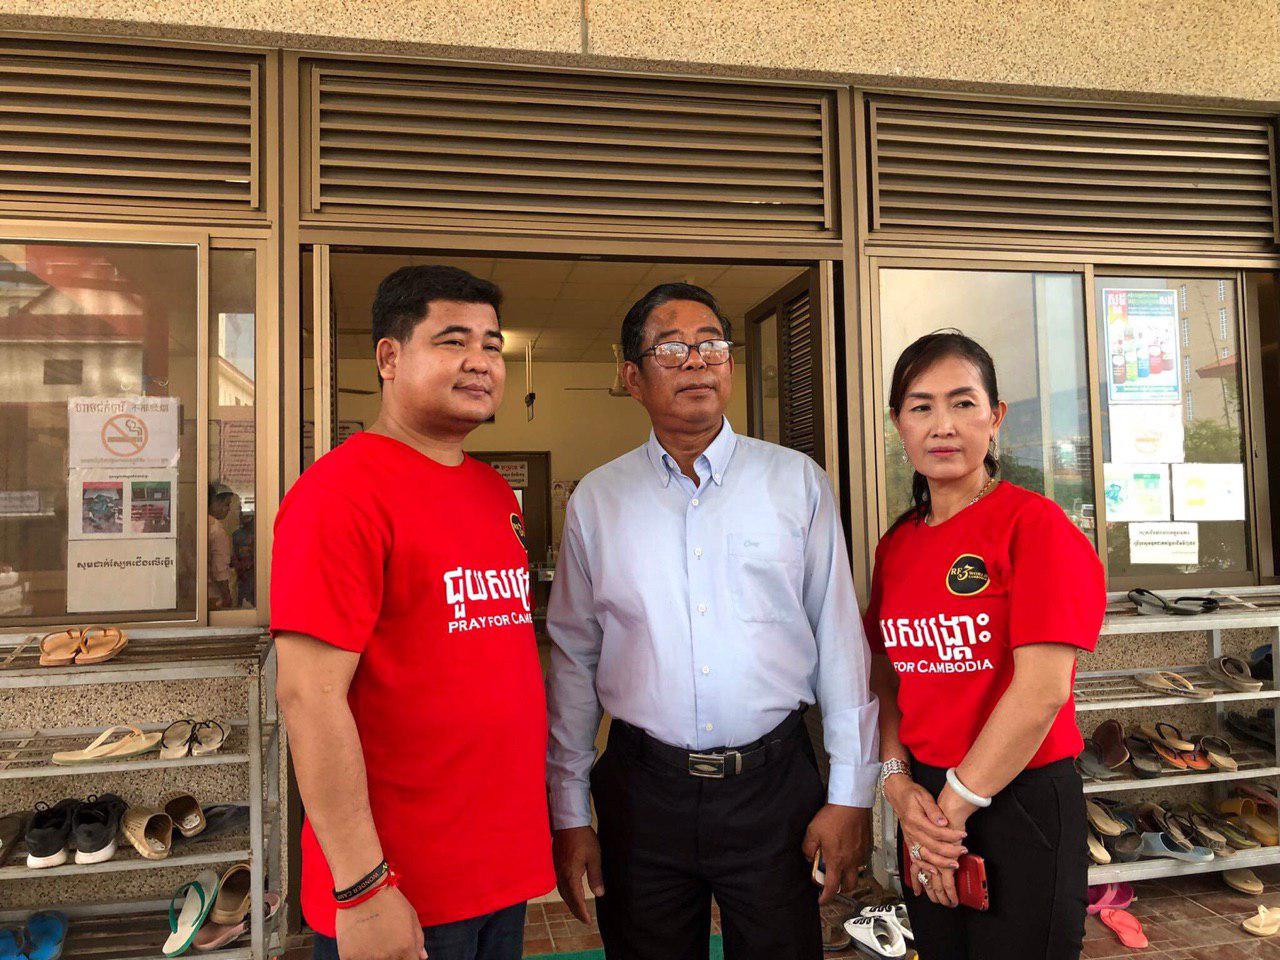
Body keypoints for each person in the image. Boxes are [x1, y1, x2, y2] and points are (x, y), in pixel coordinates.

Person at [546, 282, 880, 960]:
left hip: (775, 787)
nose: (696, 360)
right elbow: (575, 659)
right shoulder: (598, 501)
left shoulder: (796, 483)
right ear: (632, 377)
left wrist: (852, 794)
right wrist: (570, 810)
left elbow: (840, 642)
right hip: (643, 792)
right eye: (671, 348)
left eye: (711, 345)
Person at [272, 265, 553, 960]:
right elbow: (308, 698)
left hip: (498, 869)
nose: (480, 361)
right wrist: (363, 888)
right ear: (389, 358)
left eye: (492, 345)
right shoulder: (338, 495)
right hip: (400, 886)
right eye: (453, 341)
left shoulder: (493, 493)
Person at [865, 330, 1105, 960]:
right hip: (925, 801)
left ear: (995, 417)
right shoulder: (897, 547)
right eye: (921, 407)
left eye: (963, 403)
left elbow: (1042, 692)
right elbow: (886, 674)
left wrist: (954, 807)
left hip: (1017, 799)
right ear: (898, 424)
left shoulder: (1035, 526)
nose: (942, 425)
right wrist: (896, 782)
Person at [207, 484, 235, 609]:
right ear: (215, 502)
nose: (228, 510)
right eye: (226, 504)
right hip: (215, 595)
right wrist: (227, 596)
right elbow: (220, 569)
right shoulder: (216, 529)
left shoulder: (198, 523)